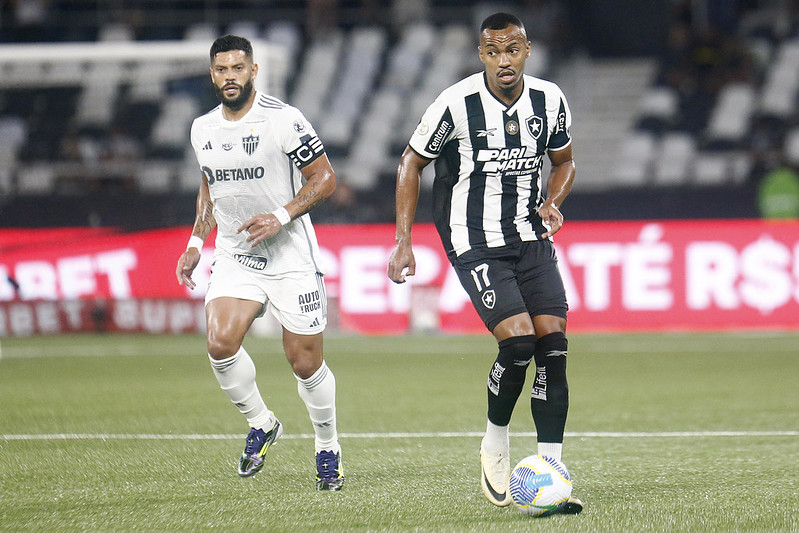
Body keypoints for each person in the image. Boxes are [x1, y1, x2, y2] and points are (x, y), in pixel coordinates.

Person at [387, 13, 581, 512]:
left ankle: (552, 474)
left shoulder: (549, 99)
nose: (504, 61)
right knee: (518, 342)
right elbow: (411, 161)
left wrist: (552, 201)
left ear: (527, 50)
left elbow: (565, 161)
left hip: (530, 235)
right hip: (473, 239)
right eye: (493, 52)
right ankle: (495, 442)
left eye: (512, 50)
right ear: (481, 55)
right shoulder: (455, 103)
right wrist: (403, 239)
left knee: (553, 347)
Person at [175, 35, 344, 491]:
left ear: (253, 71)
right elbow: (209, 186)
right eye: (221, 69)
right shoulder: (201, 129)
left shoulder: (283, 119)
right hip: (237, 252)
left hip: (289, 251)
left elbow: (325, 178)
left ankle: (327, 446)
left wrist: (280, 215)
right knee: (219, 341)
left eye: (237, 68)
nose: (230, 76)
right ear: (213, 75)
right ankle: (261, 422)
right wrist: (196, 239)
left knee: (304, 363)